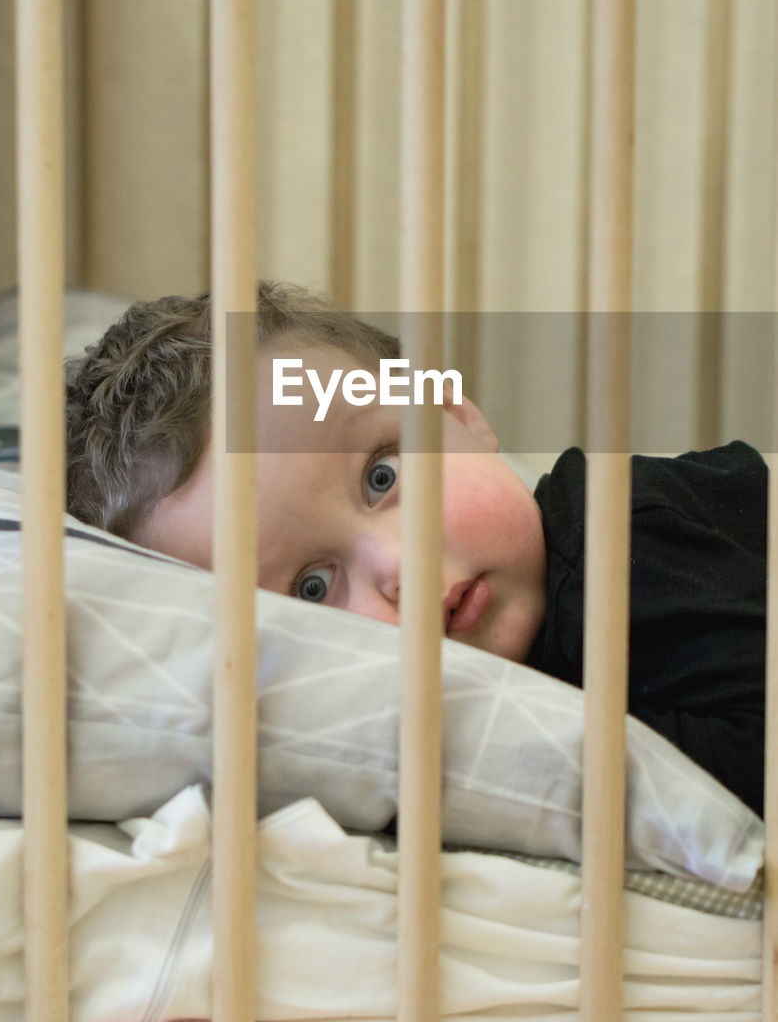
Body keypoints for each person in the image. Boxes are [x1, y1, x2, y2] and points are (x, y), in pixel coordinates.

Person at [66, 282, 766, 817]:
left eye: (382, 476)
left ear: (455, 412)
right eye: (312, 587)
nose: (401, 565)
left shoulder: (620, 535)